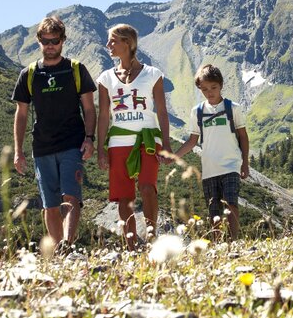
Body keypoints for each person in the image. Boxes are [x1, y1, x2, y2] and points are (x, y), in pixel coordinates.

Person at [12, 16, 96, 246]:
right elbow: (21, 114)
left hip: (72, 143)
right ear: (38, 41)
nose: (50, 45)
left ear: (63, 40)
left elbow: (89, 108)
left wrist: (89, 138)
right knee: (49, 204)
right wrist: (18, 151)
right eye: (45, 41)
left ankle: (67, 245)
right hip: (42, 147)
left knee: (71, 196)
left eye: (55, 41)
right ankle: (59, 252)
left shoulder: (76, 69)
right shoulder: (29, 74)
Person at [96, 24, 170, 247]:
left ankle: (151, 238)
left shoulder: (153, 74)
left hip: (148, 139)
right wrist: (100, 149)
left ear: (127, 43)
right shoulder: (105, 78)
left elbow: (162, 111)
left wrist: (166, 144)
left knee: (147, 188)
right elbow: (103, 116)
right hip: (118, 141)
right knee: (124, 196)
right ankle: (131, 247)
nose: (108, 45)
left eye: (113, 41)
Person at [173, 63, 250, 240]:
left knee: (231, 203)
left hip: (231, 165)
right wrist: (173, 157)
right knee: (213, 209)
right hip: (209, 169)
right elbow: (192, 140)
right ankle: (217, 243)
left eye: (213, 87)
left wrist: (245, 163)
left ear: (221, 85)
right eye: (204, 89)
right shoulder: (197, 112)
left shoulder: (233, 108)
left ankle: (233, 240)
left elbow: (243, 136)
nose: (209, 92)